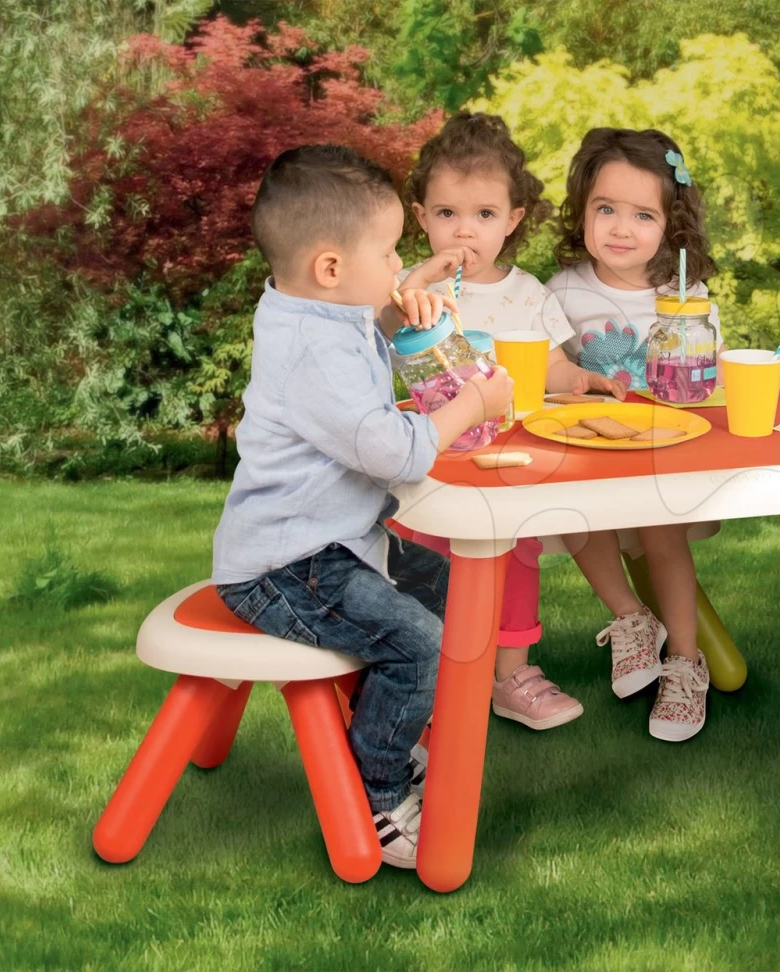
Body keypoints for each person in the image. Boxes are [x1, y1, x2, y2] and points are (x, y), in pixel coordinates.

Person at [210, 144, 513, 868]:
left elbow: (360, 327)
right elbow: (394, 453)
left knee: (451, 589)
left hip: (330, 545)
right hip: (288, 568)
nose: (398, 263)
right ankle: (376, 791)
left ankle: (392, 730)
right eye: (388, 252)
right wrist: (473, 403)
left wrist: (406, 288)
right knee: (422, 641)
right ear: (330, 267)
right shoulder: (314, 351)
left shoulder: (309, 308)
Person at [393, 112, 627, 732]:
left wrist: (579, 380)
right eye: (447, 213)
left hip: (508, 464)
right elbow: (374, 345)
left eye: (484, 214)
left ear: (513, 220)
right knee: (422, 566)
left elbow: (551, 365)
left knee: (516, 559)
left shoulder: (528, 294)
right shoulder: (407, 289)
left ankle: (511, 675)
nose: (464, 230)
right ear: (421, 216)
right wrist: (409, 294)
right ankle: (425, 680)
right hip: (430, 462)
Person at [546, 128, 723, 742]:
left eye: (643, 215)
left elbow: (711, 382)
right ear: (582, 211)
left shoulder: (687, 297)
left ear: (672, 225)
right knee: (572, 509)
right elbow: (550, 373)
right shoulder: (562, 291)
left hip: (664, 457)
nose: (621, 228)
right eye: (606, 209)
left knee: (661, 531)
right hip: (591, 457)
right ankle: (631, 618)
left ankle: (685, 661)